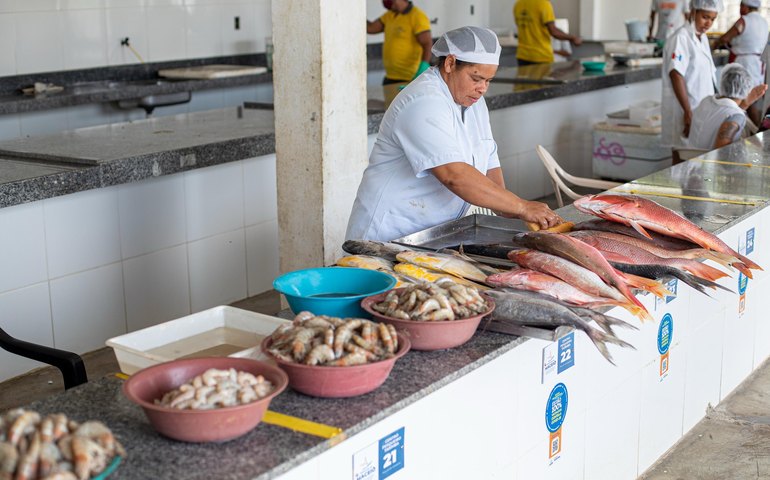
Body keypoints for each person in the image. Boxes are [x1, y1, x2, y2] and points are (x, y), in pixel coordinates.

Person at [346, 26, 562, 242]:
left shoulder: (474, 102)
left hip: (430, 233)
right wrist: (522, 206)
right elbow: (453, 175)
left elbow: (488, 163)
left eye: (488, 80)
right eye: (476, 78)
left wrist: (512, 211)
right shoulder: (423, 101)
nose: (482, 88)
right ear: (450, 63)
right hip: (389, 233)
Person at [661, 0, 722, 164]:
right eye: (705, 17)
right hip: (686, 109)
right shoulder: (681, 38)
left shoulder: (701, 38)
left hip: (699, 109)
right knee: (682, 157)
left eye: (712, 19)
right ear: (693, 12)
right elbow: (676, 74)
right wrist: (687, 112)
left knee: (695, 162)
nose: (708, 23)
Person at [712, 0, 768, 125]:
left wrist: (715, 44)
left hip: (745, 62)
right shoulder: (764, 21)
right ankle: (756, 128)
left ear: (745, 6)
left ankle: (758, 130)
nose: (740, 8)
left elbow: (725, 38)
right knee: (754, 97)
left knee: (746, 98)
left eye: (741, 5)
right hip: (759, 63)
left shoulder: (743, 21)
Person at [688, 63, 767, 149]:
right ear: (747, 88)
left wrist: (745, 104)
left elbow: (724, 113)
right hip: (709, 161)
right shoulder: (736, 116)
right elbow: (721, 151)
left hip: (690, 157)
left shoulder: (707, 100)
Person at [367, 0, 432, 85]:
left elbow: (427, 44)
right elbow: (370, 28)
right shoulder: (390, 15)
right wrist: (356, 12)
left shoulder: (417, 16)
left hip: (409, 78)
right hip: (390, 77)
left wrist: (424, 65)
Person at [513, 0, 582, 66]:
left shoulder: (518, 4)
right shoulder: (543, 4)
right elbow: (554, 32)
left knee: (525, 78)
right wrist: (573, 38)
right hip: (541, 56)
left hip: (522, 55)